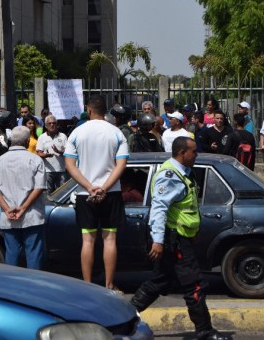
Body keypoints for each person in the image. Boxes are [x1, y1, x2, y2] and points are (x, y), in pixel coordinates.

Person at [130, 137, 231, 340]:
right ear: (182, 152)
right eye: (193, 152)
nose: (196, 155)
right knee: (194, 284)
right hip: (172, 239)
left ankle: (122, 319)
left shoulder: (184, 173)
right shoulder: (170, 175)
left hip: (180, 237)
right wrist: (158, 241)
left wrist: (192, 233)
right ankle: (205, 330)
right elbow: (159, 209)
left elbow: (187, 208)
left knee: (160, 281)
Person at [64, 95, 128, 292]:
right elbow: (121, 165)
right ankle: (109, 284)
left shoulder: (77, 132)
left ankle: (88, 285)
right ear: (106, 111)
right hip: (111, 192)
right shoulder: (116, 133)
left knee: (88, 240)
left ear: (88, 110)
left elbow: (70, 165)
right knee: (110, 239)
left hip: (85, 194)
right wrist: (105, 187)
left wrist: (89, 186)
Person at [0, 126, 47, 269]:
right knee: (34, 254)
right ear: (27, 141)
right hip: (32, 216)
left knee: (12, 254)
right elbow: (39, 187)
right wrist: (23, 208)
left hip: (8, 217)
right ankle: (34, 285)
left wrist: (7, 209)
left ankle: (11, 285)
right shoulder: (35, 160)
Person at [36, 115, 69, 193]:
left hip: (61, 169)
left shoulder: (63, 136)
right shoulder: (42, 137)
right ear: (46, 125)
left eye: (54, 123)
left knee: (61, 192)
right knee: (48, 193)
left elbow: (68, 152)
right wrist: (46, 155)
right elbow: (39, 153)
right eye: (49, 123)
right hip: (48, 170)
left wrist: (59, 152)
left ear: (57, 125)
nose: (52, 125)